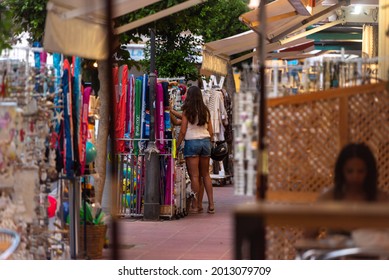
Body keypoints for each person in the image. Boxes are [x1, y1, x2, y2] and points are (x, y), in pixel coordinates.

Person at [177, 85, 215, 214]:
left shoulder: (187, 111)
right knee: (206, 175)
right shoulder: (206, 111)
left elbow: (182, 131)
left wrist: (176, 146)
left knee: (194, 176)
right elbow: (211, 131)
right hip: (205, 142)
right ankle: (210, 205)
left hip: (192, 143)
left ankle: (195, 205)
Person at [318, 142, 389, 202]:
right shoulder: (328, 198)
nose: (355, 176)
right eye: (349, 171)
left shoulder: (381, 199)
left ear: (369, 172)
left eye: (360, 171)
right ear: (341, 171)